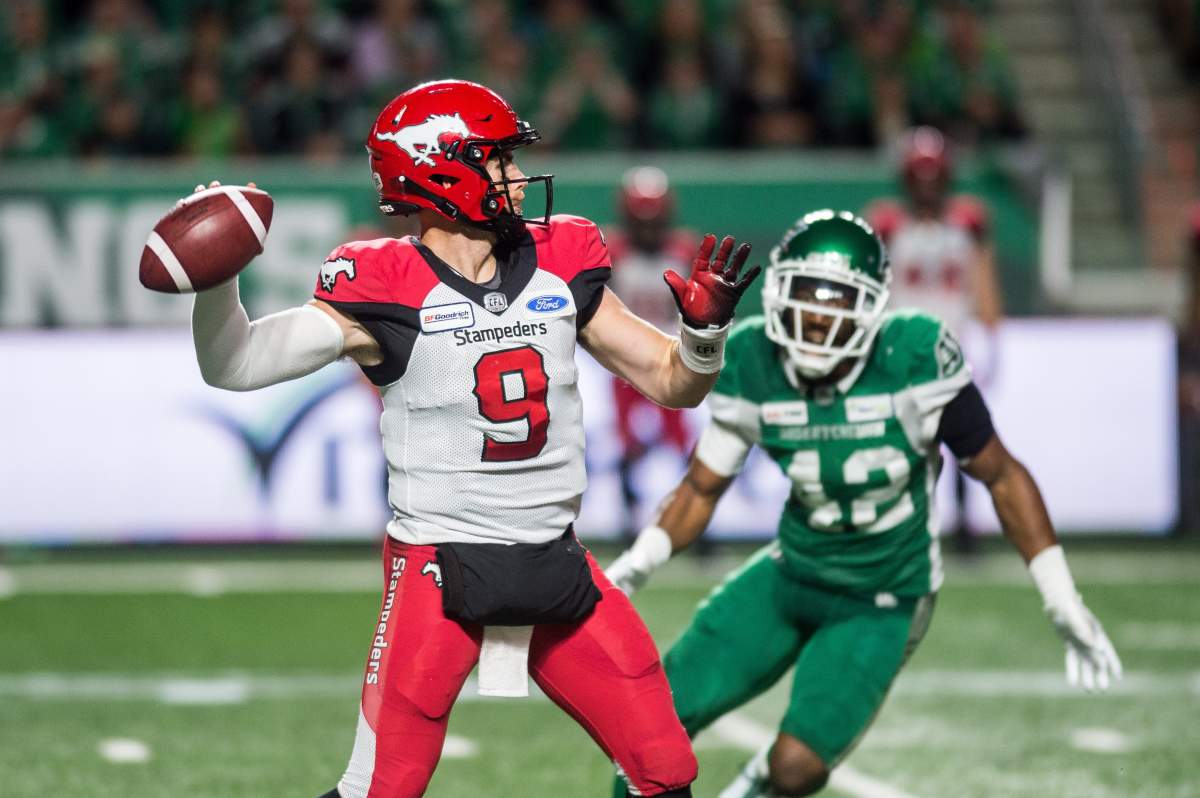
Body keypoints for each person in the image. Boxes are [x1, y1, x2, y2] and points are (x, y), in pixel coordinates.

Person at [187, 79, 759, 798]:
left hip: (557, 562)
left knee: (667, 770)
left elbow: (674, 382)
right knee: (383, 788)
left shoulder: (562, 255)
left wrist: (705, 338)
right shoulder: (382, 281)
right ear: (442, 169)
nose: (519, 178)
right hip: (438, 568)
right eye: (499, 161)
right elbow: (235, 364)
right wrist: (216, 283)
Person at [606, 210, 1121, 798]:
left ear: (873, 305)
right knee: (647, 725)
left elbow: (1000, 474)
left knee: (795, 767)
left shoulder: (913, 356)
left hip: (883, 594)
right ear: (776, 293)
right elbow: (702, 487)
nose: (815, 317)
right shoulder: (753, 359)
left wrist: (1059, 593)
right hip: (790, 571)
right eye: (802, 295)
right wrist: (638, 562)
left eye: (834, 301)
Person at [865, 125, 1003, 552]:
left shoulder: (967, 223)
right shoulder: (887, 223)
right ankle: (897, 521)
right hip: (900, 340)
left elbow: (982, 282)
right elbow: (871, 283)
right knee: (898, 435)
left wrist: (991, 330)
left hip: (951, 339)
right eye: (919, 177)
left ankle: (964, 522)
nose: (926, 187)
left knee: (960, 431)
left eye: (933, 177)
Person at [606, 166, 700, 537]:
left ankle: (695, 525)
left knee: (681, 441)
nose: (647, 228)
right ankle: (629, 521)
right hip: (622, 357)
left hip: (670, 355)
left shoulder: (683, 249)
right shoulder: (613, 249)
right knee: (625, 441)